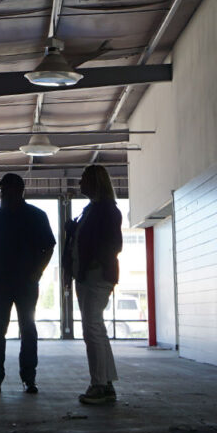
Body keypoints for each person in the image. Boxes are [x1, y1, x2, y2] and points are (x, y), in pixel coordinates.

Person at [0, 173, 55, 394]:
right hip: (19, 283)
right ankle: (24, 379)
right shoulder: (33, 215)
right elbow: (48, 248)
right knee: (23, 330)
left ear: (17, 190)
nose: (1, 193)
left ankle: (0, 379)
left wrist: (35, 273)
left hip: (12, 283)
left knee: (4, 331)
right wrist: (36, 273)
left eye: (4, 189)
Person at [64, 164, 123, 405]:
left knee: (92, 329)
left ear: (95, 182)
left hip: (95, 276)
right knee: (95, 328)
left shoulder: (105, 210)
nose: (79, 184)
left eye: (84, 180)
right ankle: (105, 383)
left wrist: (91, 266)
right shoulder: (93, 210)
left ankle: (99, 385)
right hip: (90, 276)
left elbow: (113, 244)